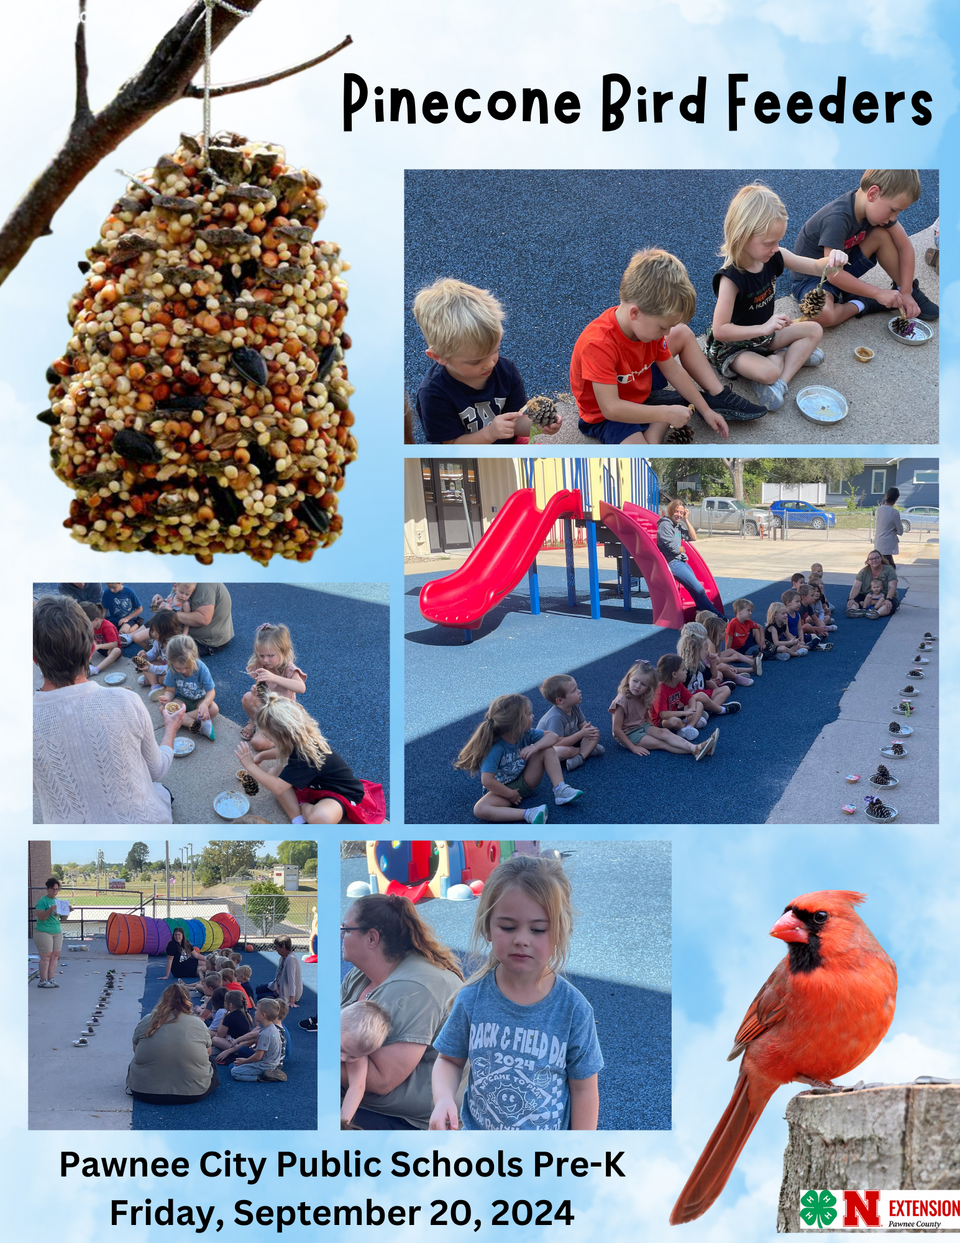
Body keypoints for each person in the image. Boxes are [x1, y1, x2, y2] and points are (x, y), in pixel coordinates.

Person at [430, 854, 604, 1130]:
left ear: (559, 932)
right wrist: (443, 1100)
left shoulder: (574, 1010)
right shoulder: (472, 998)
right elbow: (449, 1061)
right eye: (508, 927)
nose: (521, 939)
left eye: (538, 929)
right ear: (487, 927)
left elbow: (584, 1089)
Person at [569, 248, 767, 447]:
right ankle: (657, 424)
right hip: (608, 415)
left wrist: (705, 410)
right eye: (663, 327)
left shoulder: (646, 328)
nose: (666, 333)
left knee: (682, 333)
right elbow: (611, 408)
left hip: (635, 380)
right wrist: (665, 413)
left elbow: (673, 370)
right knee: (642, 457)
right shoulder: (598, 344)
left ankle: (713, 398)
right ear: (635, 313)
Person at [33, 595, 184, 823]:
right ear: (92, 648)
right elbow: (156, 770)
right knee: (161, 790)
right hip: (143, 823)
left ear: (34, 658)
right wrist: (171, 727)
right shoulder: (126, 700)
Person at [706, 183, 847, 410]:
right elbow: (721, 330)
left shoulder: (774, 255)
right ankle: (786, 358)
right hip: (736, 346)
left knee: (815, 330)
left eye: (778, 241)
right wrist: (763, 328)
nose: (775, 248)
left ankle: (781, 383)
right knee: (768, 371)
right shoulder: (731, 279)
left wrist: (834, 260)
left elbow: (816, 267)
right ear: (742, 236)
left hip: (766, 335)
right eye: (769, 243)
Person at [340, 892, 464, 1130]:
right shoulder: (361, 974)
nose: (342, 936)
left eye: (346, 929)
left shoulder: (414, 990)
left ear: (372, 938)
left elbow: (381, 1081)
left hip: (410, 1118)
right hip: (365, 1099)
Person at [412, 278, 562, 445]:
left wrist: (540, 425)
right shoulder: (433, 393)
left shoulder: (506, 371)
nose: (490, 364)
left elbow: (516, 422)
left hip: (509, 443)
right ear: (438, 357)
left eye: (494, 351)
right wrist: (490, 433)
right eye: (475, 362)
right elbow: (451, 446)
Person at [792, 170, 937, 327]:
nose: (893, 218)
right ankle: (862, 303)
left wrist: (906, 292)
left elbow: (906, 248)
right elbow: (831, 273)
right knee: (822, 315)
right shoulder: (837, 218)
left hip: (842, 268)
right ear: (873, 194)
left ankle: (902, 290)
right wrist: (877, 293)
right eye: (894, 210)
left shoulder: (876, 210)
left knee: (881, 234)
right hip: (815, 277)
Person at [235, 695, 386, 824]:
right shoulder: (300, 737)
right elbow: (283, 751)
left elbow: (277, 788)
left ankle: (303, 807)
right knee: (273, 772)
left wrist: (250, 765)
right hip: (315, 784)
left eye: (269, 737)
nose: (269, 740)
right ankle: (299, 821)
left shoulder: (306, 756)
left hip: (339, 793)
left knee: (320, 817)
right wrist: (262, 755)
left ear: (282, 736)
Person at [454, 693, 583, 826]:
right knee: (479, 809)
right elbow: (487, 780)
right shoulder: (496, 748)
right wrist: (510, 794)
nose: (533, 716)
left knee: (547, 748)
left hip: (525, 781)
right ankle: (529, 813)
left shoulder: (526, 734)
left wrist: (535, 747)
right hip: (501, 791)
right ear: (517, 722)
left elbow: (553, 737)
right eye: (529, 714)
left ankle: (560, 789)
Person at [125, 984, 218, 1104]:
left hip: (144, 1091)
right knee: (212, 1063)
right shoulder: (198, 1023)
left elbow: (136, 1050)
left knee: (135, 1062)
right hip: (193, 1093)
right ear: (187, 1001)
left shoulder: (147, 1020)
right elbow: (208, 1053)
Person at [609, 660, 714, 761]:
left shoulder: (644, 695)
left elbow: (645, 715)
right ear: (628, 679)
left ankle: (697, 748)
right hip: (629, 733)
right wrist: (632, 747)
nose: (637, 686)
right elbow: (616, 730)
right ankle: (696, 750)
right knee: (662, 743)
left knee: (664, 732)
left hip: (641, 726)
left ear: (648, 687)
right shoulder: (621, 701)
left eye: (643, 684)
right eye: (635, 681)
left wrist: (654, 730)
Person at [240, 622, 307, 743]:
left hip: (282, 712)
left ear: (283, 651)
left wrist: (274, 678)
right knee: (247, 698)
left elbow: (301, 688)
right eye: (261, 655)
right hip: (266, 705)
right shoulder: (261, 665)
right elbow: (262, 687)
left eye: (271, 655)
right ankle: (256, 722)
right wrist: (256, 691)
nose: (265, 660)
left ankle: (272, 731)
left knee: (257, 744)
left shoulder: (288, 667)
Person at [657, 500, 725, 618]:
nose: (679, 514)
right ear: (670, 511)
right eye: (676, 511)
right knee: (699, 589)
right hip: (673, 563)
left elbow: (693, 537)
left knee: (696, 591)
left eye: (681, 512)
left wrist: (686, 520)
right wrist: (681, 549)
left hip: (680, 562)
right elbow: (674, 548)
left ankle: (706, 616)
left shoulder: (677, 526)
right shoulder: (665, 525)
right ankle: (717, 617)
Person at [653, 655, 724, 749]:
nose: (686, 672)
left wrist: (692, 709)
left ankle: (688, 727)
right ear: (674, 674)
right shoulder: (660, 690)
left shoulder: (679, 684)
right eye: (683, 670)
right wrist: (685, 712)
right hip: (661, 720)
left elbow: (691, 699)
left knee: (698, 704)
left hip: (675, 712)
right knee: (674, 721)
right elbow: (663, 714)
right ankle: (688, 723)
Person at [341, 1000, 392, 1128]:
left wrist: (343, 1122)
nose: (343, 1058)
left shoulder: (356, 1051)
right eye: (341, 1049)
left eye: (352, 1056)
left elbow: (357, 1087)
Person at [536, 675, 603, 772]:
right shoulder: (555, 717)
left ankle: (581, 757)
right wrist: (581, 734)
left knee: (594, 732)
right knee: (564, 751)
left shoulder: (574, 706)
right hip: (549, 747)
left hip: (568, 739)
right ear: (560, 700)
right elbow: (558, 743)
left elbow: (582, 725)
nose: (579, 691)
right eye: (574, 690)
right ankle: (587, 751)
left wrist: (588, 730)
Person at [158, 634, 218, 740]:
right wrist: (167, 697)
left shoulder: (201, 668)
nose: (183, 671)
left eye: (186, 667)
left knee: (213, 709)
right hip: (181, 699)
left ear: (193, 658)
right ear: (171, 662)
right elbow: (170, 690)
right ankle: (198, 725)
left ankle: (180, 719)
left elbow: (211, 692)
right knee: (163, 708)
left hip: (199, 700)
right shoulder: (172, 669)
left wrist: (204, 704)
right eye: (178, 668)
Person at [677, 622, 740, 716]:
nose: (708, 651)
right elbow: (679, 692)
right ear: (696, 651)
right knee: (701, 696)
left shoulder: (700, 664)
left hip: (703, 694)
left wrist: (713, 662)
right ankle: (719, 709)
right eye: (706, 649)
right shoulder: (684, 668)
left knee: (726, 689)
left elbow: (713, 675)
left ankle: (709, 711)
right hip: (691, 700)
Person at [230, 998, 288, 1081]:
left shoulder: (264, 1034)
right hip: (273, 1063)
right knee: (237, 1065)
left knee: (234, 1071)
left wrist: (244, 1061)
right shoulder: (274, 1028)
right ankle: (269, 1073)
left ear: (263, 1015)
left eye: (257, 1011)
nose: (254, 1012)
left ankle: (261, 1078)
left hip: (265, 1065)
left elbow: (258, 1057)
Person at [136, 610, 182, 694]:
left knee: (164, 679)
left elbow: (172, 669)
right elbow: (154, 652)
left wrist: (152, 669)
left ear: (168, 632)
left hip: (176, 672)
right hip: (165, 667)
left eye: (156, 631)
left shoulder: (176, 647)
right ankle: (155, 685)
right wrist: (146, 655)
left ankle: (154, 680)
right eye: (152, 629)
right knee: (145, 663)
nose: (153, 633)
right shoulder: (159, 640)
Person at [34, 878, 69, 988]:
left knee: (55, 955)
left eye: (57, 889)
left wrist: (67, 911)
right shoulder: (42, 901)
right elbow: (41, 917)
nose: (55, 891)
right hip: (43, 931)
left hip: (57, 931)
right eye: (53, 889)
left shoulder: (58, 901)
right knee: (46, 956)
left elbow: (62, 919)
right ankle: (43, 980)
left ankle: (51, 979)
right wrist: (50, 909)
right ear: (48, 889)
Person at [847, 551, 899, 618]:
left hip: (885, 597)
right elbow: (856, 586)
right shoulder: (863, 571)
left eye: (877, 558)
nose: (874, 560)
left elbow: (892, 587)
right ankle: (854, 610)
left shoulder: (889, 570)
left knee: (890, 604)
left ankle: (877, 613)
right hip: (867, 597)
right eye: (871, 559)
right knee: (853, 599)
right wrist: (851, 599)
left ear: (881, 559)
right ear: (868, 561)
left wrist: (888, 599)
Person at [255, 936, 303, 1008]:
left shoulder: (291, 960)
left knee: (260, 997)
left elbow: (291, 980)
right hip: (278, 986)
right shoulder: (283, 957)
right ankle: (274, 993)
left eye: (277, 947)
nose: (276, 949)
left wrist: (292, 1000)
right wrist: (276, 986)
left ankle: (278, 997)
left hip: (285, 991)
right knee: (258, 988)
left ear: (283, 947)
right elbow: (279, 974)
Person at [78, 600, 123, 675]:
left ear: (96, 619)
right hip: (99, 647)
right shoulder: (93, 625)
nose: (85, 626)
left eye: (87, 624)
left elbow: (114, 644)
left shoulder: (108, 627)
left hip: (110, 650)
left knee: (116, 650)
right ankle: (83, 663)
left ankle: (95, 669)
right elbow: (93, 638)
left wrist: (98, 646)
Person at [210, 991, 254, 1060]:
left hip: (237, 1043)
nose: (224, 1003)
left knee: (215, 1039)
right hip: (246, 1042)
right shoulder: (245, 1013)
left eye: (225, 1001)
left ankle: (232, 1051)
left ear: (230, 1005)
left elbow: (220, 1034)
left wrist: (223, 1018)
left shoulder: (230, 1016)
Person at [724, 598, 764, 673]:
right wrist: (728, 653)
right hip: (734, 649)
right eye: (748, 610)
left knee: (755, 629)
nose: (750, 613)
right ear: (739, 611)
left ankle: (762, 649)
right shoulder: (733, 623)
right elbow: (729, 639)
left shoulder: (748, 622)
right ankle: (753, 658)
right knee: (736, 658)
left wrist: (762, 642)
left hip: (743, 645)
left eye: (751, 611)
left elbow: (760, 627)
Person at [874, 487, 904, 569]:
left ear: (886, 497)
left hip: (878, 542)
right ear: (896, 499)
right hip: (887, 544)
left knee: (884, 566)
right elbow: (900, 531)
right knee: (890, 568)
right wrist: (894, 529)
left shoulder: (879, 510)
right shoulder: (894, 512)